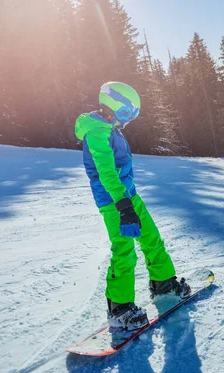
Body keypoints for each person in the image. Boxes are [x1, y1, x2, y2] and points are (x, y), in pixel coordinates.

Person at [75, 82, 190, 330]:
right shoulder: (96, 132)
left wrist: (129, 200)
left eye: (133, 116)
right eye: (127, 113)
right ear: (114, 105)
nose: (128, 121)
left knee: (151, 237)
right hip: (113, 200)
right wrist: (123, 206)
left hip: (129, 196)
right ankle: (120, 307)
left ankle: (163, 283)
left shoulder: (109, 127)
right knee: (124, 250)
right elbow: (106, 173)